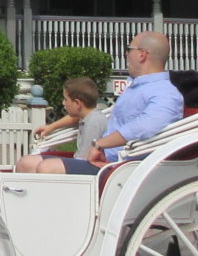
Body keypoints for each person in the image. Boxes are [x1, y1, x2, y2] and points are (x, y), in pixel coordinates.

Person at [15, 32, 183, 175]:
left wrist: (100, 143)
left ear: (142, 54)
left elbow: (145, 126)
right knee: (25, 163)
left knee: (47, 168)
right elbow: (89, 114)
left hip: (121, 166)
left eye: (128, 49)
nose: (126, 54)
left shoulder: (165, 93)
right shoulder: (137, 87)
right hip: (105, 159)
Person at [32, 77, 107, 159]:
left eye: (65, 99)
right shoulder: (89, 117)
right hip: (81, 161)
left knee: (32, 162)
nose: (63, 103)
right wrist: (50, 127)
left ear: (77, 103)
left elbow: (84, 158)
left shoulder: (92, 124)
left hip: (84, 166)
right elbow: (74, 119)